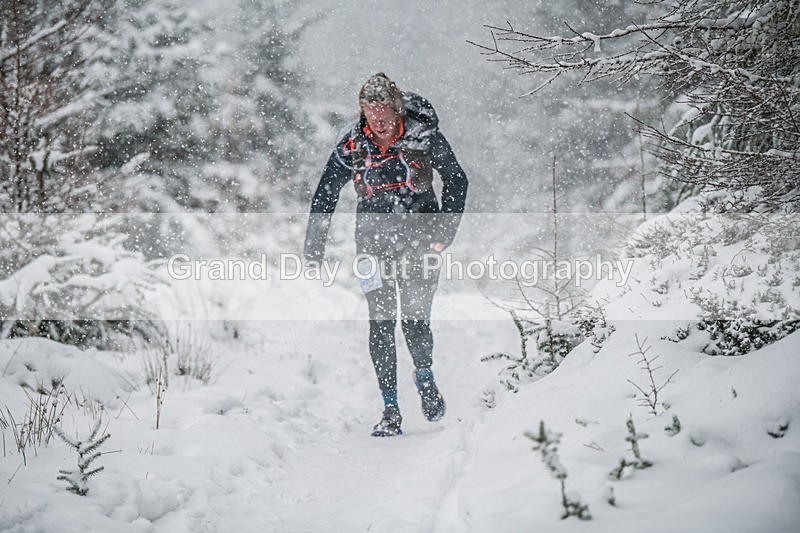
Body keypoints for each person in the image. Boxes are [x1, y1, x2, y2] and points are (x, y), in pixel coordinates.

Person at [303, 73, 468, 437]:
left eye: (384, 115)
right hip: (371, 245)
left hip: (420, 242)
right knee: (380, 323)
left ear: (397, 110)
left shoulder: (423, 136)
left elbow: (457, 179)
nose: (378, 123)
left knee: (414, 320)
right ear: (363, 112)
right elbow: (326, 192)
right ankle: (390, 409)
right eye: (371, 115)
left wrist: (443, 235)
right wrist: (314, 248)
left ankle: (424, 377)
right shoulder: (353, 143)